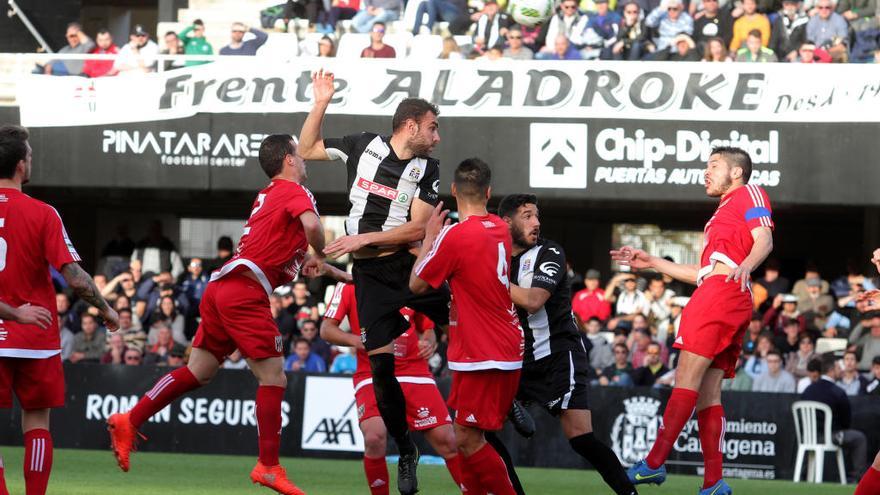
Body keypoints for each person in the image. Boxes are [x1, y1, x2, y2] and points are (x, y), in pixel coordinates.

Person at [107, 134, 338, 495]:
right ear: (289, 160)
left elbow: (287, 247)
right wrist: (320, 252)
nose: (306, 162)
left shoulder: (266, 197)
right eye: (301, 156)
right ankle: (269, 467)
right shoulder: (295, 192)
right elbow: (312, 228)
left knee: (198, 371)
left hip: (221, 288)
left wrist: (317, 263)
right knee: (274, 378)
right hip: (244, 292)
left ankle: (129, 419)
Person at [298, 70, 448, 494]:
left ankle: (509, 394)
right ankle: (407, 451)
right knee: (381, 372)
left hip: (406, 265)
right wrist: (322, 101)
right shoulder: (362, 144)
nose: (437, 138)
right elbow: (307, 148)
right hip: (369, 277)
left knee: (463, 316)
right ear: (410, 125)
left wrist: (365, 236)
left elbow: (418, 230)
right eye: (433, 128)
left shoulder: (427, 169)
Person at [614, 146, 774, 495]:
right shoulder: (721, 213)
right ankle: (713, 482)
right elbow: (702, 272)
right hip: (723, 291)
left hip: (721, 294)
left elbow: (765, 238)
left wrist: (748, 264)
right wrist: (652, 262)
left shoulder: (749, 191)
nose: (706, 171)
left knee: (686, 377)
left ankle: (654, 463)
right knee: (708, 392)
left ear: (736, 172)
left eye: (714, 165)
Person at [0, 124, 119, 494]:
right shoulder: (43, 213)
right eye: (30, 156)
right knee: (37, 422)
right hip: (35, 337)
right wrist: (106, 309)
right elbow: (77, 279)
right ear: (21, 165)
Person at [500, 193, 637, 495]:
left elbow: (534, 301)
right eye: (527, 215)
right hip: (517, 359)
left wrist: (489, 279)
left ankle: (629, 493)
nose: (536, 222)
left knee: (580, 438)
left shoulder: (550, 251)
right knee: (478, 430)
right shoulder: (495, 256)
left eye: (537, 215)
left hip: (558, 355)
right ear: (506, 222)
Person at [409, 158, 524, 495]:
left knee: (468, 440)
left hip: (483, 351)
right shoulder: (500, 228)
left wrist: (430, 236)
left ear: (454, 190)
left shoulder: (454, 237)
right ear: (488, 192)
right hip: (501, 345)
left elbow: (416, 284)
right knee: (466, 438)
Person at [321, 282, 464, 494]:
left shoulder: (412, 280)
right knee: (374, 437)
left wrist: (428, 341)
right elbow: (326, 330)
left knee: (448, 441)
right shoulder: (350, 285)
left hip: (414, 371)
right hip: (372, 372)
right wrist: (360, 341)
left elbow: (427, 328)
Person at [802, 354, 868, 483]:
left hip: (809, 437)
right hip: (831, 436)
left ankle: (804, 475)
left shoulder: (808, 390)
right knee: (859, 438)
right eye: (838, 368)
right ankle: (857, 478)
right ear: (831, 370)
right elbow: (846, 421)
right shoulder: (837, 391)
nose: (841, 370)